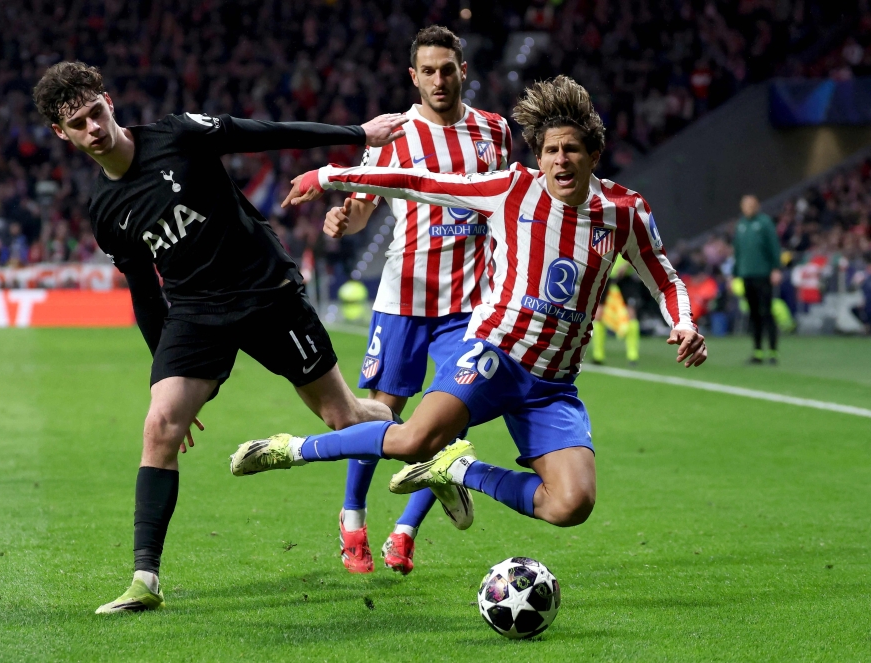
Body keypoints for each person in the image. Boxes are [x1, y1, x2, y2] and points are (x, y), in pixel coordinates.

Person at [230, 76, 706, 539]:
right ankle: (290, 449)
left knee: (571, 505)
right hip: (494, 355)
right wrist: (329, 175)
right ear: (538, 158)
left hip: (553, 384)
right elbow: (416, 180)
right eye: (551, 151)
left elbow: (663, 276)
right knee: (413, 439)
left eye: (572, 150)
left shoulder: (626, 212)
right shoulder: (512, 190)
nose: (561, 160)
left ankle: (459, 469)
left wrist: (683, 323)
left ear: (593, 155)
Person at [32, 60, 408, 614]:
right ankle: (145, 579)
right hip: (195, 312)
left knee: (343, 417)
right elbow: (144, 293)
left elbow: (261, 134)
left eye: (95, 112)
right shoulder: (106, 210)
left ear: (108, 102)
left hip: (264, 291)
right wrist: (165, 376)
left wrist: (356, 135)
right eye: (79, 124)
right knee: (160, 425)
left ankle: (431, 444)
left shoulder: (178, 134)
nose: (94, 128)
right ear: (61, 135)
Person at [322, 25, 512, 576]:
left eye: (447, 68)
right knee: (381, 413)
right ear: (414, 76)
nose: (438, 79)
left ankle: (404, 531)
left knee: (452, 418)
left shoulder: (493, 132)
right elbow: (361, 207)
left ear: (463, 71)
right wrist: (343, 219)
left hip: (471, 304)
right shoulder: (395, 133)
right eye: (427, 70)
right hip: (404, 297)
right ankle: (353, 517)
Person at [733, 194, 781, 364]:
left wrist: (776, 268)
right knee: (753, 313)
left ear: (757, 205)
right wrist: (735, 273)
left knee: (766, 312)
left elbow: (773, 245)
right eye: (745, 205)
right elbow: (737, 252)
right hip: (747, 275)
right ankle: (758, 351)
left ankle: (773, 351)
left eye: (751, 204)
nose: (748, 208)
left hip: (763, 274)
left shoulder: (765, 223)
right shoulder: (741, 225)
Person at [591, 258, 648, 366]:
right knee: (598, 314)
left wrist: (626, 265)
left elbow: (636, 249)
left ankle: (633, 356)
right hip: (606, 276)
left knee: (631, 314)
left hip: (626, 277)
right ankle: (598, 355)